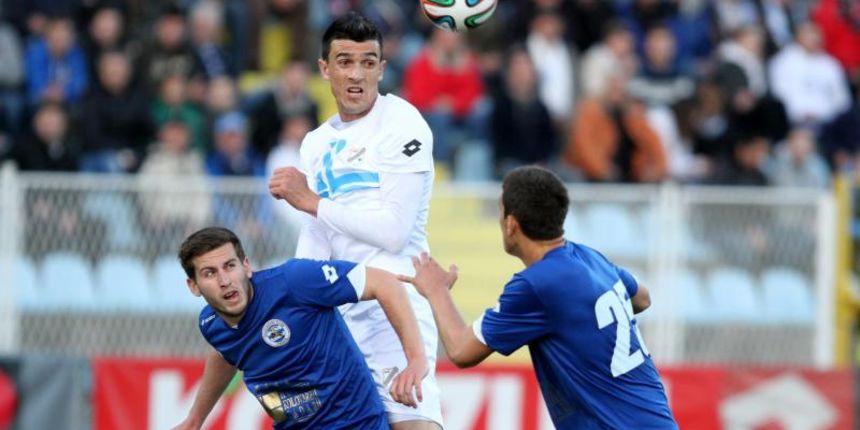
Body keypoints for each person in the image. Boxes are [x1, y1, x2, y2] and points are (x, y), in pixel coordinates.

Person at [268, 12, 444, 430]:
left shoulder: (401, 122)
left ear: (381, 69)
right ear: (324, 69)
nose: (356, 74)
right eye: (345, 61)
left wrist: (313, 202)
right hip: (340, 317)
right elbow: (316, 236)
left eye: (368, 62)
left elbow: (394, 232)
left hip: (394, 315)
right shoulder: (316, 142)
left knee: (411, 424)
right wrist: (295, 304)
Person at [401, 166, 679, 429]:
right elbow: (642, 299)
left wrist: (436, 290)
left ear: (511, 224)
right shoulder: (589, 257)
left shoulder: (536, 285)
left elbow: (461, 350)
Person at [171, 227, 428, 429]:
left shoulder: (294, 281)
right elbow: (225, 352)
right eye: (209, 273)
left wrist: (416, 359)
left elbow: (385, 283)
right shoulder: (211, 324)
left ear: (246, 266)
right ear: (193, 286)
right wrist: (195, 419)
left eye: (230, 266)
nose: (225, 280)